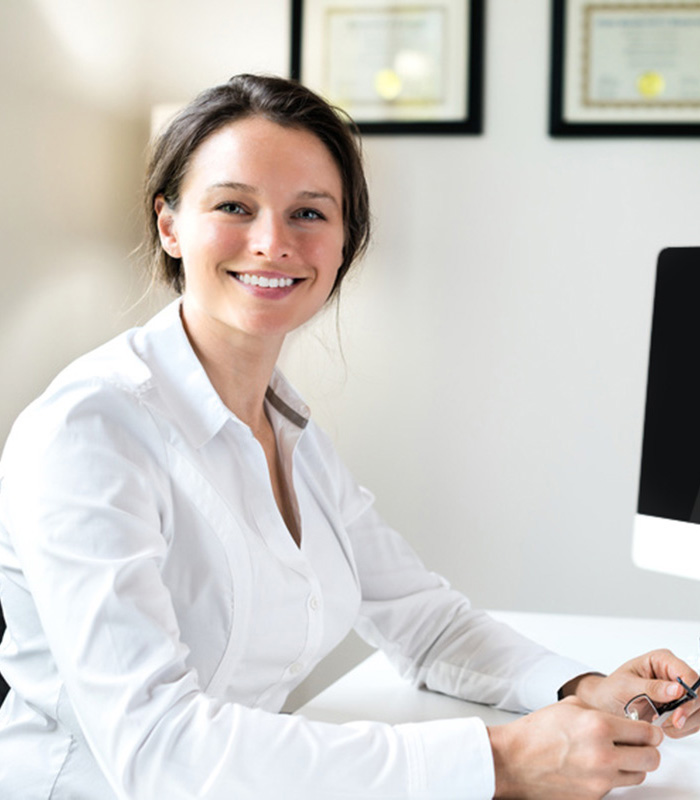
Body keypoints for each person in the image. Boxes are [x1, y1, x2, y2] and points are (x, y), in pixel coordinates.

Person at [0, 73, 696, 800]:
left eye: (309, 213)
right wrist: (498, 763)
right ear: (171, 224)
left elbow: (426, 625)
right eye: (233, 205)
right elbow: (158, 750)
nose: (273, 243)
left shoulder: (284, 423)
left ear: (344, 245)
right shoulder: (89, 432)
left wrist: (582, 688)